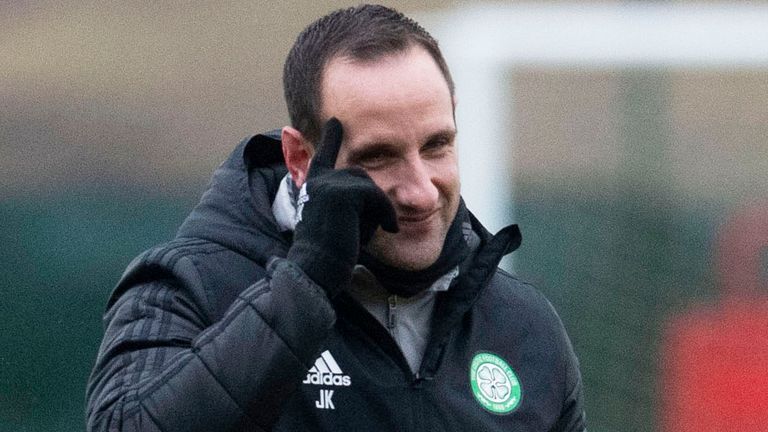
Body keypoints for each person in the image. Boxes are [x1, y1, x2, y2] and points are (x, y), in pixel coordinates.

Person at [86, 4, 585, 431]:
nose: (419, 191)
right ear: (300, 158)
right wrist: (305, 284)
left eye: (437, 145)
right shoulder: (194, 286)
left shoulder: (525, 327)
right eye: (379, 157)